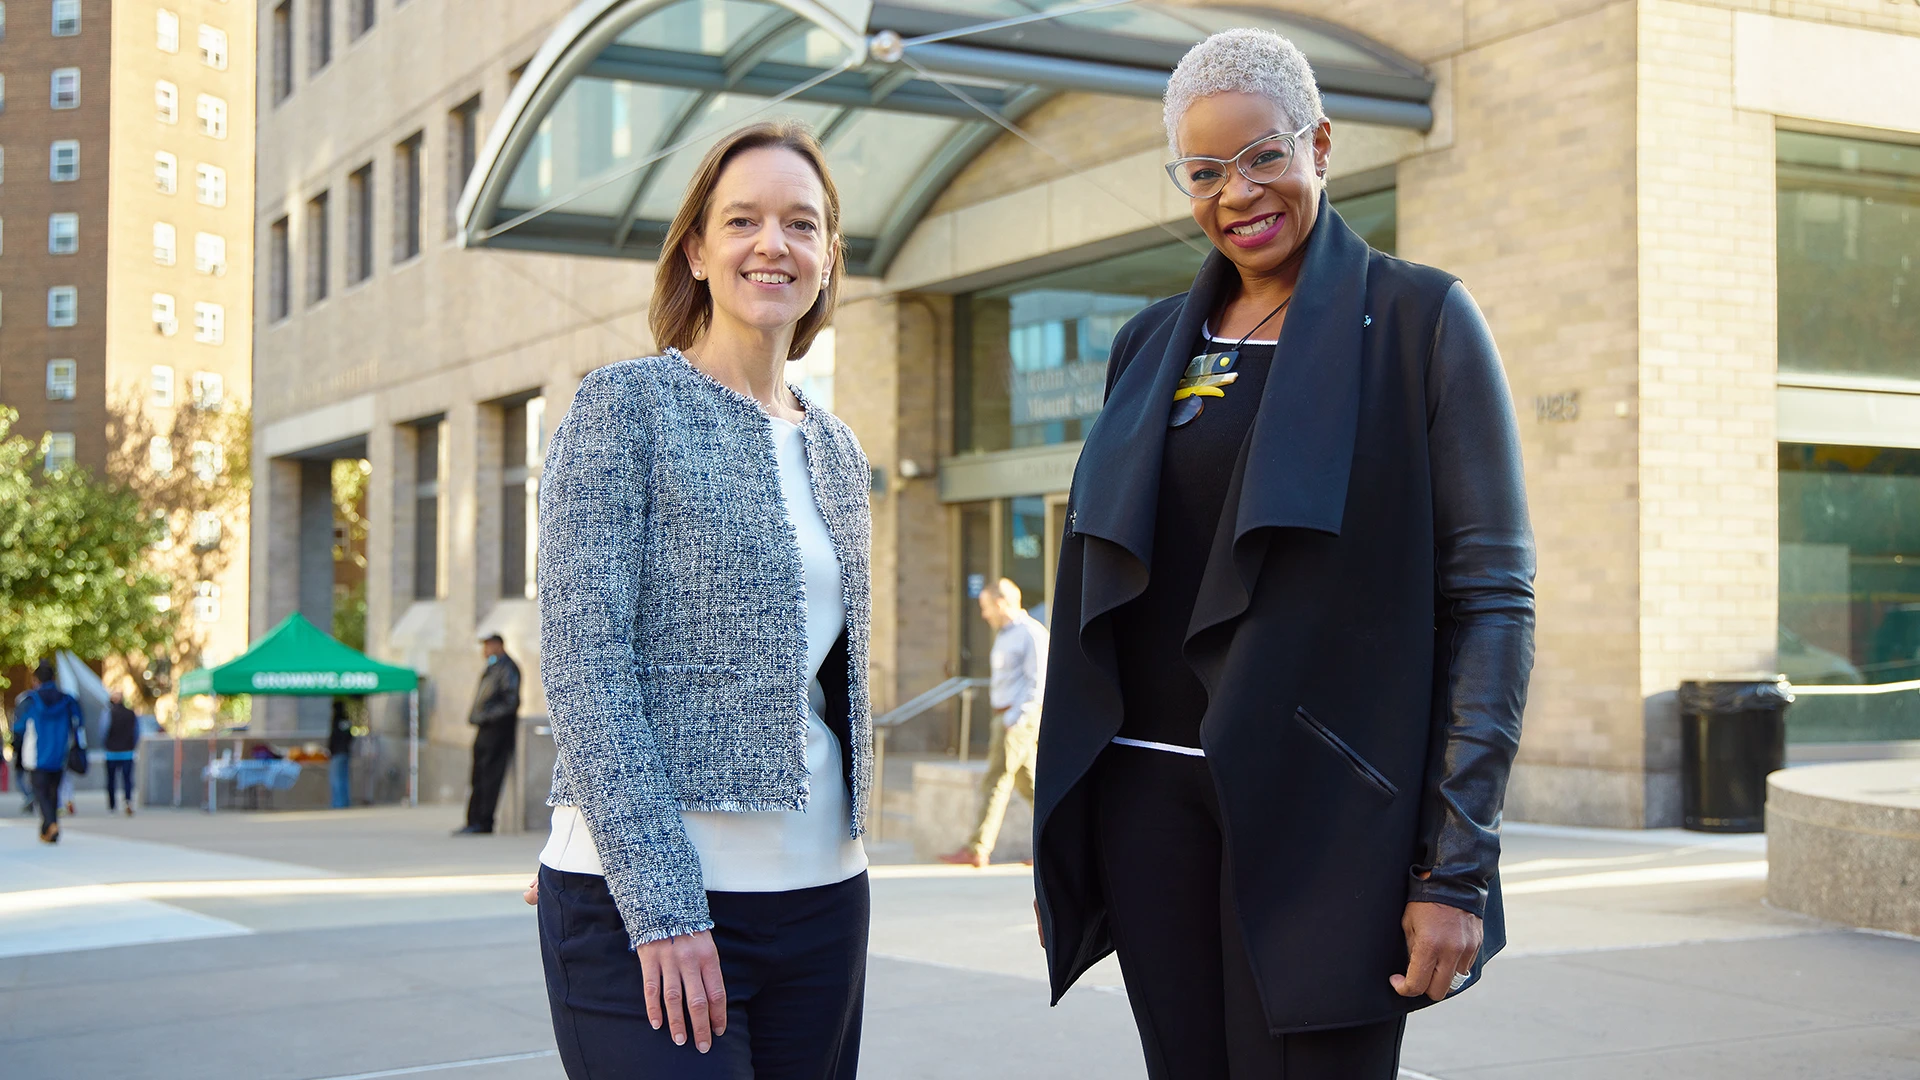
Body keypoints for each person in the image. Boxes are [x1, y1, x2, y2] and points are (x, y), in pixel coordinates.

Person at [1032, 29, 1536, 1079]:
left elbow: (1492, 601)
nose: (1237, 194)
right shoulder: (1151, 343)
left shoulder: (1419, 321)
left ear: (1321, 145)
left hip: (1329, 821)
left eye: (1264, 156)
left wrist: (1456, 871)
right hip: (1149, 803)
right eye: (1205, 172)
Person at [533, 120, 872, 1079]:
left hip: (823, 900)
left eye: (801, 224)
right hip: (649, 908)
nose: (775, 244)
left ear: (828, 255)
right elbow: (587, 664)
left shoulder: (838, 450)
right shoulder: (623, 407)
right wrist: (656, 896)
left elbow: (823, 677)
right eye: (744, 220)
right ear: (696, 248)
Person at [939, 579, 1046, 868]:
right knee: (1032, 786)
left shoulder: (1031, 634)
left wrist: (1016, 718)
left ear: (1001, 603)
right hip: (1004, 717)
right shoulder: (1004, 635)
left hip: (1016, 720)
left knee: (995, 781)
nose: (984, 614)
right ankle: (1059, 846)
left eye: (986, 607)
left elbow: (1038, 682)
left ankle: (977, 848)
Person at [455, 633, 521, 835]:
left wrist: (485, 716)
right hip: (484, 729)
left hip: (497, 730)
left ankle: (483, 821)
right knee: (478, 775)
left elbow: (510, 702)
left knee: (491, 775)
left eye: (488, 646)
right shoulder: (492, 668)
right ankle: (473, 819)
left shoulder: (507, 668)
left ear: (498, 645)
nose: (485, 651)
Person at [16, 661, 85, 844]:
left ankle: (50, 824)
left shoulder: (29, 700)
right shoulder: (68, 700)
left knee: (41, 793)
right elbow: (79, 724)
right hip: (59, 754)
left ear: (36, 680)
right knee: (54, 793)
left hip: (36, 756)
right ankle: (48, 829)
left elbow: (19, 727)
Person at [103, 690, 140, 816]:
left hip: (111, 752)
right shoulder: (131, 714)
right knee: (127, 779)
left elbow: (102, 731)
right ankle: (128, 801)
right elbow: (137, 732)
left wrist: (106, 745)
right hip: (127, 752)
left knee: (111, 780)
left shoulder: (108, 714)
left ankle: (112, 805)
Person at [328, 698, 355, 810]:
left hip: (337, 753)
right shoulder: (346, 721)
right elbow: (350, 736)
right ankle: (344, 802)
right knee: (343, 778)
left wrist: (331, 749)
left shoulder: (337, 720)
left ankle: (338, 804)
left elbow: (334, 738)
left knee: (336, 779)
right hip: (345, 752)